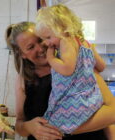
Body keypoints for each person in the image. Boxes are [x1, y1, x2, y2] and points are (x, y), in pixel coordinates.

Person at [5, 22, 115, 140]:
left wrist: (64, 128)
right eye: (31, 47)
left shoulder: (77, 63)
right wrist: (29, 127)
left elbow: (112, 112)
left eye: (41, 39)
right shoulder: (24, 80)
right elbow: (19, 124)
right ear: (22, 54)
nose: (41, 48)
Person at [35, 3, 115, 135]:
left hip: (75, 99)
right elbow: (101, 66)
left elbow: (67, 69)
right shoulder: (86, 43)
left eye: (48, 37)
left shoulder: (66, 41)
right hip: (90, 97)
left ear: (62, 28)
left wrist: (52, 59)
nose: (47, 43)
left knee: (53, 125)